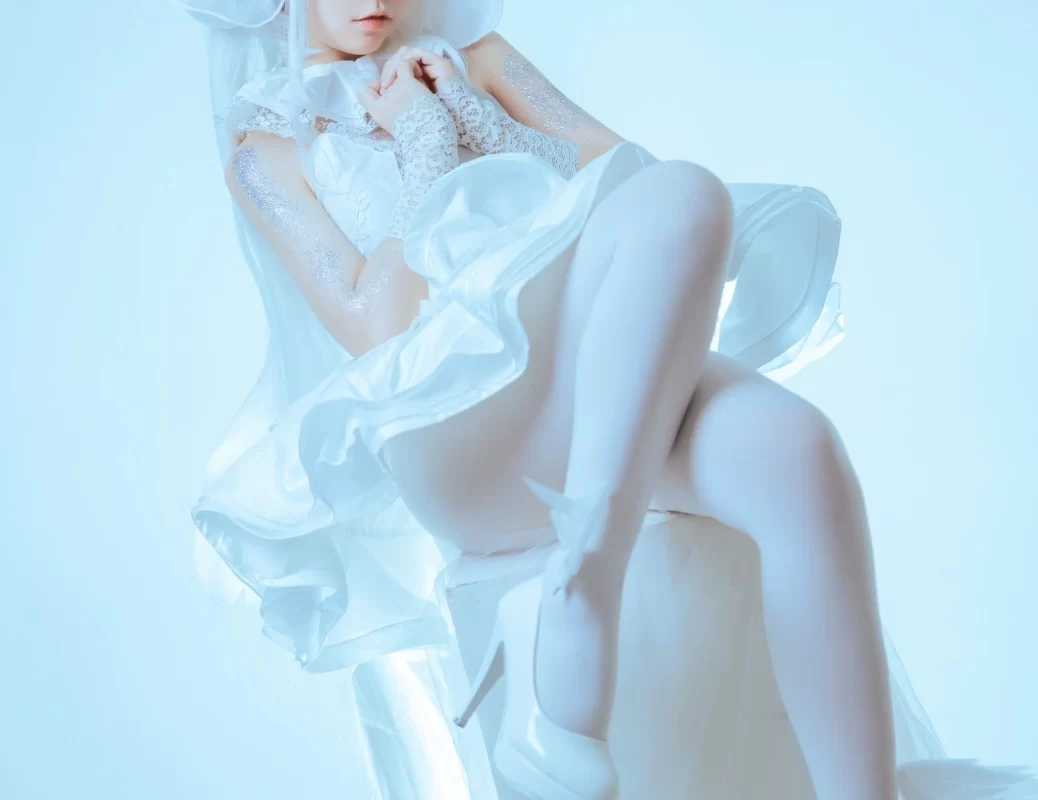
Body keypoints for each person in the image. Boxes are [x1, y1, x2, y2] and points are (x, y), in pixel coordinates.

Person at [177, 1, 1037, 798]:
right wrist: (423, 140)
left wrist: (477, 115)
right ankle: (581, 608)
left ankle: (851, 786)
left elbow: (638, 195)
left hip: (590, 395)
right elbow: (381, 327)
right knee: (685, 195)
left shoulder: (477, 59)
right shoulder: (266, 152)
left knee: (797, 451)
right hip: (456, 426)